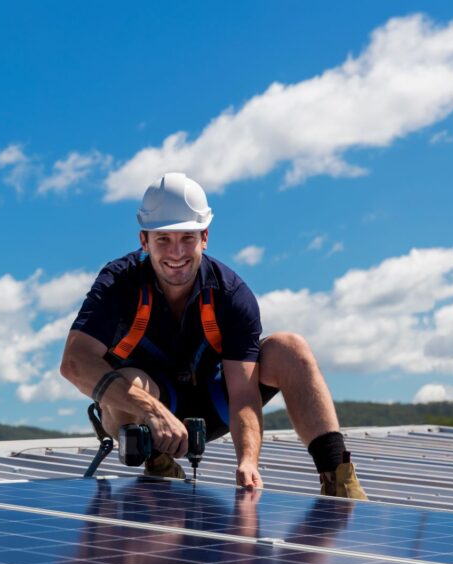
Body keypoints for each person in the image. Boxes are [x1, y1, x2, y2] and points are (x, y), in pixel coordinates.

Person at [59, 172, 366, 499]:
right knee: (131, 381)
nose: (176, 253)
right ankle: (160, 463)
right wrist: (154, 411)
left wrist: (248, 461)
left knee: (290, 347)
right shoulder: (119, 284)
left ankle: (340, 479)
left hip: (215, 404)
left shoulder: (231, 294)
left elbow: (244, 395)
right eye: (163, 239)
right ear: (143, 241)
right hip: (146, 411)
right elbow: (74, 363)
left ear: (204, 238)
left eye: (187, 238)